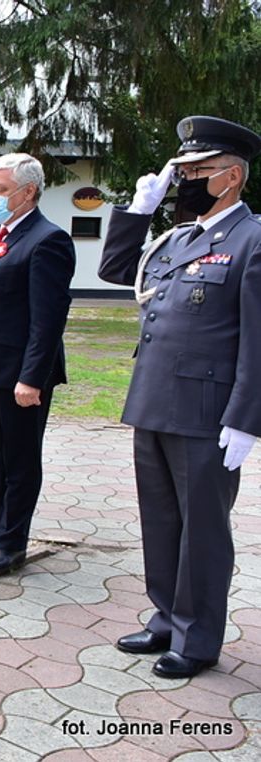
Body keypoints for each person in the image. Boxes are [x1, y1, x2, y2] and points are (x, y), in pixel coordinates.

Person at [97, 115, 261, 679]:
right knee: (161, 519)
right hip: (155, 401)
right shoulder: (178, 238)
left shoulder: (252, 238)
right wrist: (139, 210)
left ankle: (197, 639)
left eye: (195, 170)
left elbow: (258, 337)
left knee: (203, 529)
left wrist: (246, 419)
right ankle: (166, 616)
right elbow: (118, 269)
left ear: (231, 177)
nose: (183, 179)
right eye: (180, 170)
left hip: (208, 412)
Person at [0, 153, 75, 572]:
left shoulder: (48, 240)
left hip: (20, 376)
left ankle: (12, 542)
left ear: (28, 192)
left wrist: (32, 378)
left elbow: (47, 320)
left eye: (0, 190)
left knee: (19, 460)